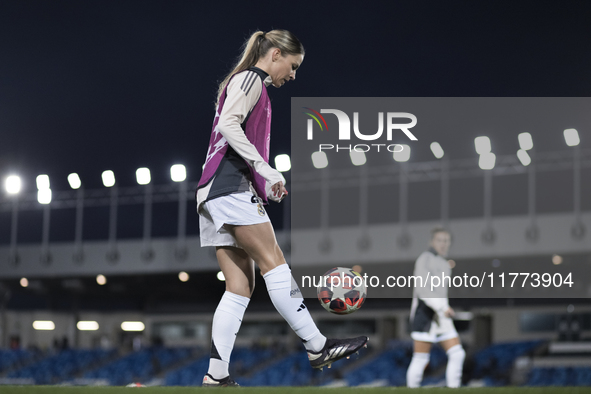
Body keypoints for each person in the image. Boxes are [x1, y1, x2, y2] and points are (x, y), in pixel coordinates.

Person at [196, 29, 368, 387]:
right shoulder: (251, 79)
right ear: (275, 54)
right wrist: (263, 168)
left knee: (240, 286)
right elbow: (229, 124)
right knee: (275, 263)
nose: (292, 75)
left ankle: (217, 374)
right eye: (292, 66)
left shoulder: (248, 82)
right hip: (229, 187)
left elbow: (231, 130)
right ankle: (317, 345)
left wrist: (264, 182)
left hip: (214, 190)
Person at [406, 227, 465, 388]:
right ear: (432, 242)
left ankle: (454, 389)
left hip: (441, 316)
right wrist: (441, 307)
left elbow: (440, 292)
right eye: (439, 240)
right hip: (424, 315)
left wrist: (445, 307)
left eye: (446, 241)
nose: (443, 244)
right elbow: (423, 290)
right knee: (420, 359)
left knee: (457, 354)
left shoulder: (445, 264)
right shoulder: (424, 259)